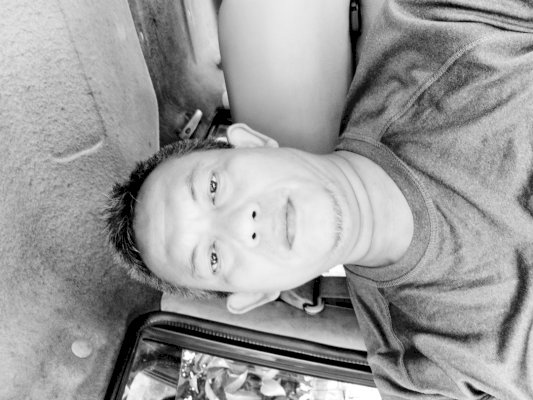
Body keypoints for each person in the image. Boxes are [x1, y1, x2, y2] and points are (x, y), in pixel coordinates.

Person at [105, 0, 533, 398]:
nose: (240, 224)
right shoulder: (418, 373)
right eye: (213, 257)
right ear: (255, 294)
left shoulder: (436, 29)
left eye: (213, 188)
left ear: (252, 143)